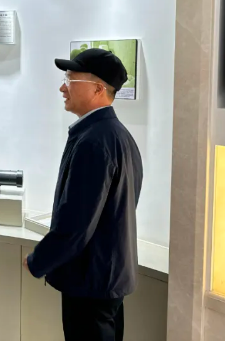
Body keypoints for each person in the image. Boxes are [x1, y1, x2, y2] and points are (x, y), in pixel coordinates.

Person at [24, 48, 143, 341]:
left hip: (90, 281)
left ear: (98, 89)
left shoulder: (94, 141)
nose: (63, 88)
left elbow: (76, 223)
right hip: (105, 277)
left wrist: (38, 260)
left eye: (71, 80)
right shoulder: (117, 135)